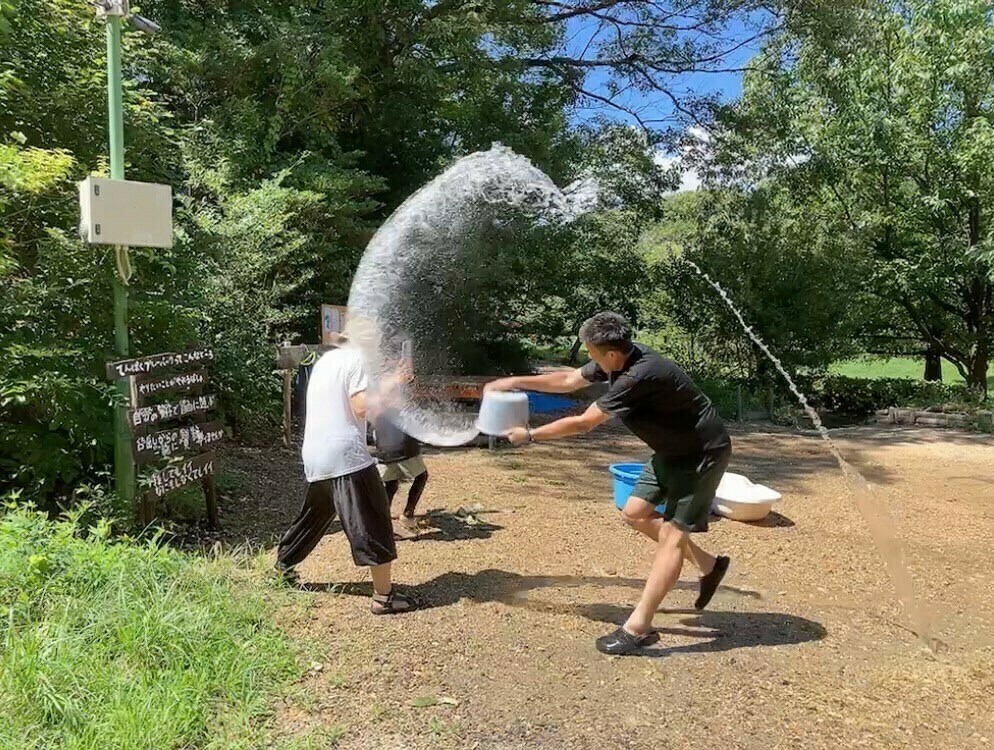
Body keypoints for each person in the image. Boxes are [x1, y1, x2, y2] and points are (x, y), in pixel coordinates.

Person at [485, 312, 732, 655]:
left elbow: (585, 423)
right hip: (671, 451)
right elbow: (570, 381)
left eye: (591, 351)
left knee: (674, 539)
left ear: (611, 353)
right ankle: (710, 565)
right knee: (635, 512)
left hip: (701, 454)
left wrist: (530, 435)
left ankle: (639, 629)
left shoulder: (637, 376)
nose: (589, 358)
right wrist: (514, 382)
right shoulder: (618, 359)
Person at [275, 342, 415, 615]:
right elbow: (362, 407)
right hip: (346, 456)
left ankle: (282, 566)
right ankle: (383, 597)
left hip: (316, 454)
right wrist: (394, 383)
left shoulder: (325, 362)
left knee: (314, 515)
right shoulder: (357, 359)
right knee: (374, 519)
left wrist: (387, 384)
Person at [373, 411, 429, 539]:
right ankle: (408, 514)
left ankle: (382, 527)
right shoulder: (403, 404)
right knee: (422, 476)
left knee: (390, 485)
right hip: (404, 450)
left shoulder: (378, 404)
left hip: (384, 451)